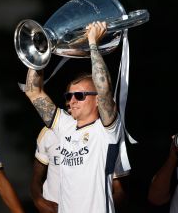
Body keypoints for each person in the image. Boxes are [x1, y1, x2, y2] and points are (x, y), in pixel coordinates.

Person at [24, 21, 123, 213]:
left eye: (80, 96)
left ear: (96, 101)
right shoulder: (65, 125)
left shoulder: (105, 130)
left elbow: (104, 88)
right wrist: (41, 51)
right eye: (69, 96)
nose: (72, 101)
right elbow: (33, 91)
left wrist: (93, 43)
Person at [30, 126, 129, 213]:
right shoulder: (49, 131)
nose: (71, 103)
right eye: (69, 103)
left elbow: (119, 191)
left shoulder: (107, 135)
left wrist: (98, 208)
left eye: (80, 102)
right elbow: (36, 177)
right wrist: (39, 201)